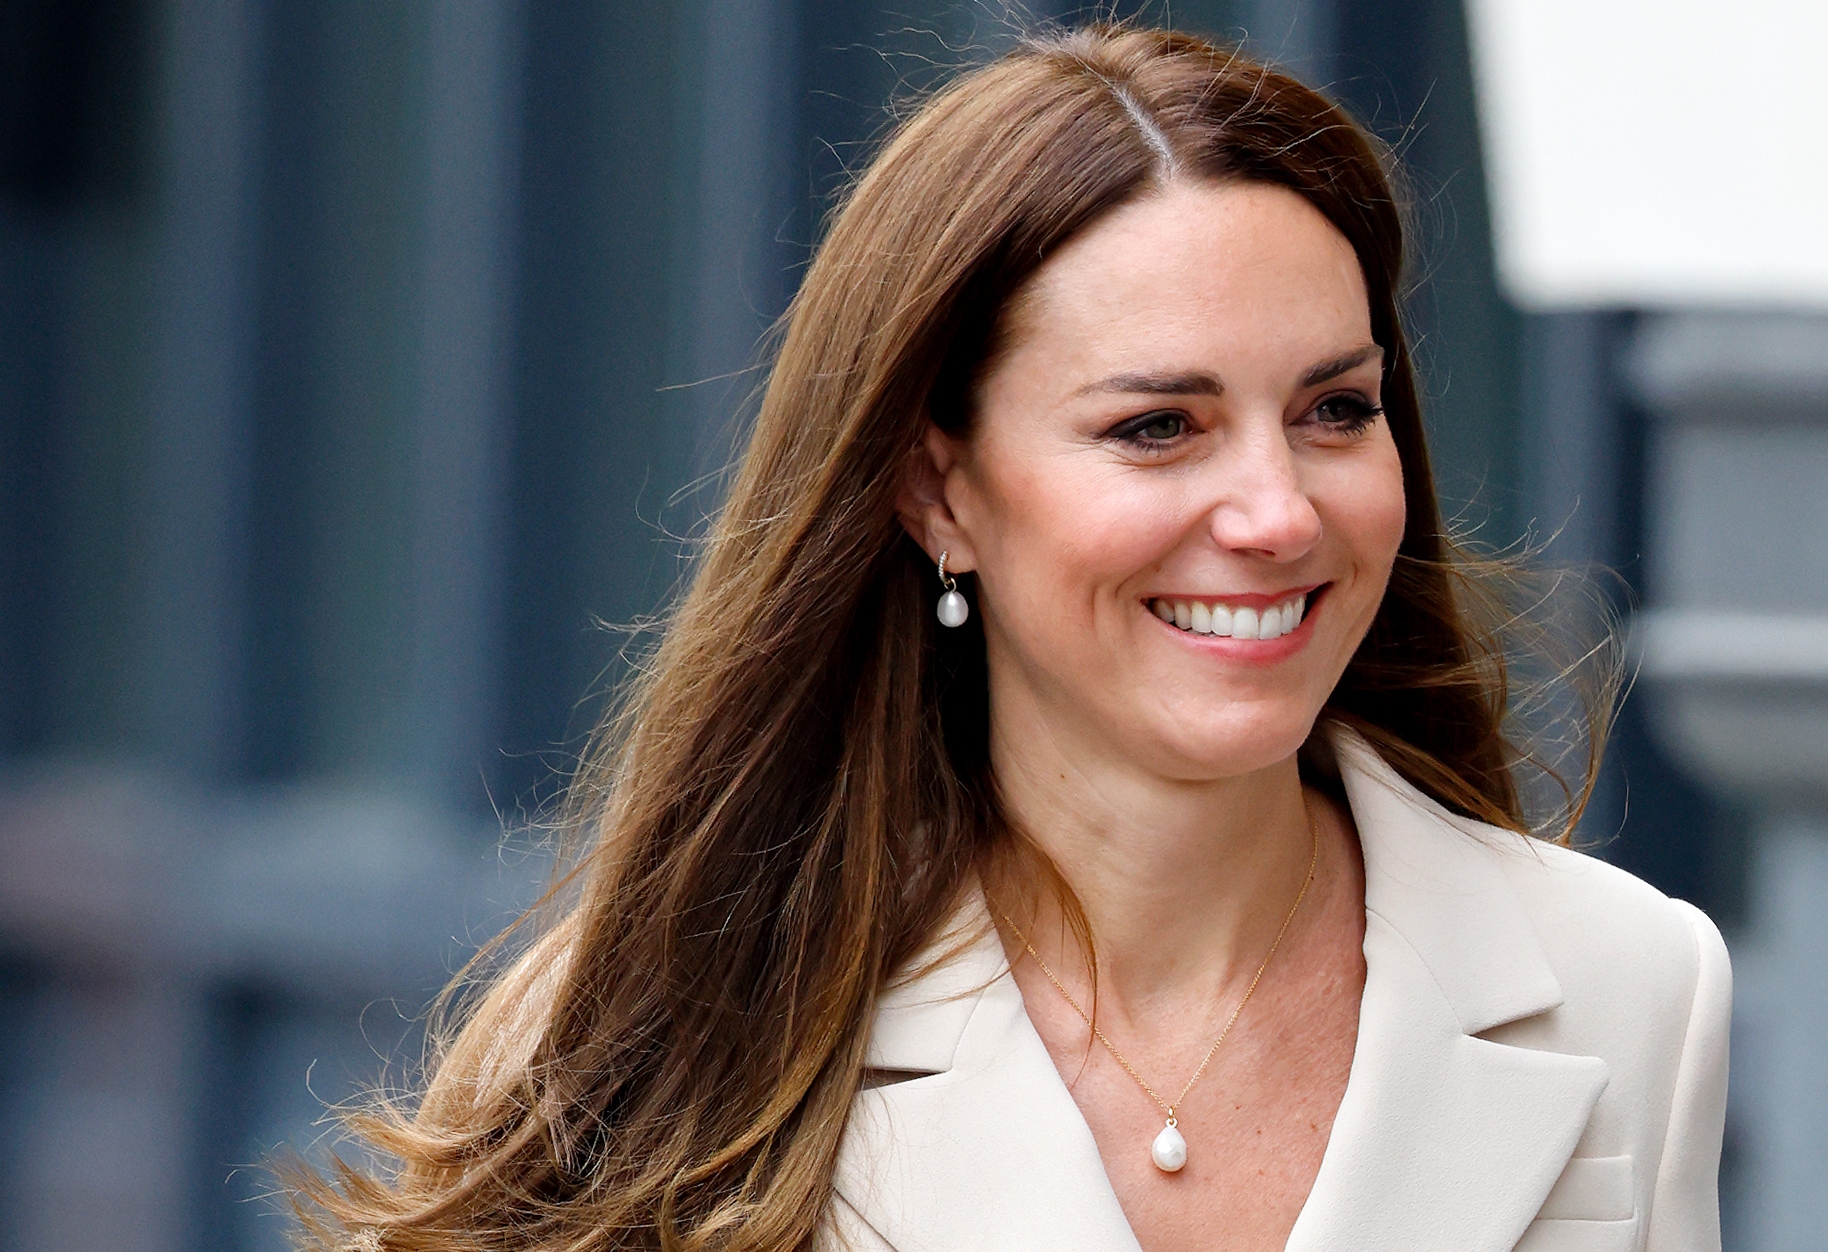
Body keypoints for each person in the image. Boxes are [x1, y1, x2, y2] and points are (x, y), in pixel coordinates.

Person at [287, 24, 1729, 1252]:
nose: (1278, 512)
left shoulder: (1628, 982)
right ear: (938, 490)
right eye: (1158, 426)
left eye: (1334, 409)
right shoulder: (657, 1029)